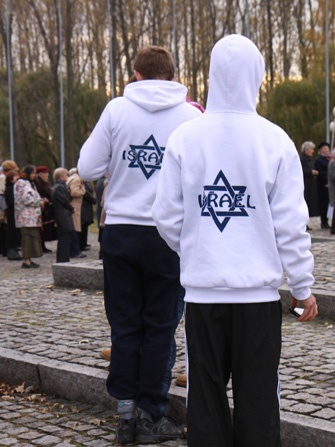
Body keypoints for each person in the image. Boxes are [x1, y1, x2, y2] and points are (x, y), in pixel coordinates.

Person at [152, 34, 318, 447]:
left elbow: (165, 216)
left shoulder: (185, 138)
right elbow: (291, 224)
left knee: (204, 399)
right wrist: (302, 286)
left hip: (203, 296)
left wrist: (197, 248)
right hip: (257, 298)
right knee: (259, 398)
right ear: (257, 76)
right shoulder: (275, 140)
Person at [77, 45, 201, 444]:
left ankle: (126, 416)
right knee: (160, 326)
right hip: (168, 234)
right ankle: (152, 415)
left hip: (122, 231)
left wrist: (123, 168)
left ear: (135, 74)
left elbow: (88, 168)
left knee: (125, 324)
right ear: (172, 74)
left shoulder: (116, 109)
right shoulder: (190, 116)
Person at [14, 165, 44, 268]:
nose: (34, 175)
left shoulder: (28, 183)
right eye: (33, 173)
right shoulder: (21, 183)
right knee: (27, 238)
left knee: (32, 238)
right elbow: (26, 199)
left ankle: (29, 259)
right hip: (25, 217)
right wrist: (39, 202)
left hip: (31, 217)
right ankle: (26, 260)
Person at [51, 168, 75, 263]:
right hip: (63, 215)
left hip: (62, 215)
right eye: (66, 175)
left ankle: (64, 258)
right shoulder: (59, 187)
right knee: (65, 237)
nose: (68, 177)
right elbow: (64, 200)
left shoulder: (59, 186)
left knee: (65, 236)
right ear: (62, 176)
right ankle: (63, 258)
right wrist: (71, 208)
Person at [2, 160, 22, 260]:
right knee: (11, 231)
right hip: (10, 211)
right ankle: (11, 251)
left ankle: (11, 250)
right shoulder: (9, 187)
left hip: (9, 210)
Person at [33, 166, 56, 253]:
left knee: (46, 227)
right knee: (42, 227)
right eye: (45, 173)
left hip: (47, 207)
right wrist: (42, 199)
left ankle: (43, 245)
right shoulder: (37, 182)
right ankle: (41, 245)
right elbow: (38, 193)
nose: (47, 175)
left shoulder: (46, 182)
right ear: (40, 174)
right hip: (42, 207)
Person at [299, 141, 320, 227]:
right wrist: (310, 172)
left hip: (310, 184)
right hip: (305, 184)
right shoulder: (301, 158)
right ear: (306, 150)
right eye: (311, 149)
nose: (312, 151)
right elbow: (301, 170)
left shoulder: (310, 159)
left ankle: (306, 222)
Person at [67, 168, 86, 258]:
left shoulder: (72, 178)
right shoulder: (77, 180)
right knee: (74, 229)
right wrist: (83, 190)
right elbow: (74, 192)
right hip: (74, 206)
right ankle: (75, 251)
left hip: (72, 206)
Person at [314, 141, 331, 229]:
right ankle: (323, 221)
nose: (326, 150)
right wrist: (328, 173)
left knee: (328, 203)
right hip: (322, 184)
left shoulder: (329, 159)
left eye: (327, 149)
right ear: (321, 150)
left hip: (330, 184)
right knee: (323, 203)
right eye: (325, 149)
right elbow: (318, 172)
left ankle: (327, 220)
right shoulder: (318, 160)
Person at [80, 180, 96, 251]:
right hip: (84, 206)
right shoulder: (82, 183)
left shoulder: (87, 183)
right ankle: (82, 244)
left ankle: (84, 242)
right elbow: (86, 194)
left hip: (87, 205)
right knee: (83, 226)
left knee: (85, 226)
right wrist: (94, 200)